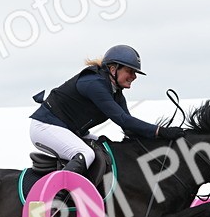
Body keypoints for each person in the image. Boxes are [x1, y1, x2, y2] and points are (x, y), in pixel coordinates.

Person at [29, 45, 186, 175]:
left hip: (68, 130)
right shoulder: (94, 84)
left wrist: (161, 140)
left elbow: (128, 128)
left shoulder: (116, 93)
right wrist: (160, 131)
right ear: (113, 69)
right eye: (130, 71)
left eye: (135, 72)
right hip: (45, 127)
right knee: (86, 154)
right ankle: (57, 196)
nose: (134, 76)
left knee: (108, 149)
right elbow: (123, 119)